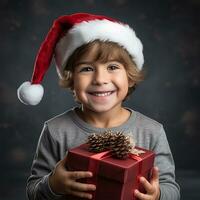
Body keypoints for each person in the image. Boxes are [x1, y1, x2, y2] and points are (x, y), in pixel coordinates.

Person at [17, 13, 180, 200]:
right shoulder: (55, 130)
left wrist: (158, 194)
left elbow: (171, 189)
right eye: (87, 68)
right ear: (71, 79)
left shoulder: (152, 131)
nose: (100, 80)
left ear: (130, 75)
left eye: (112, 67)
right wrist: (53, 185)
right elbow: (33, 191)